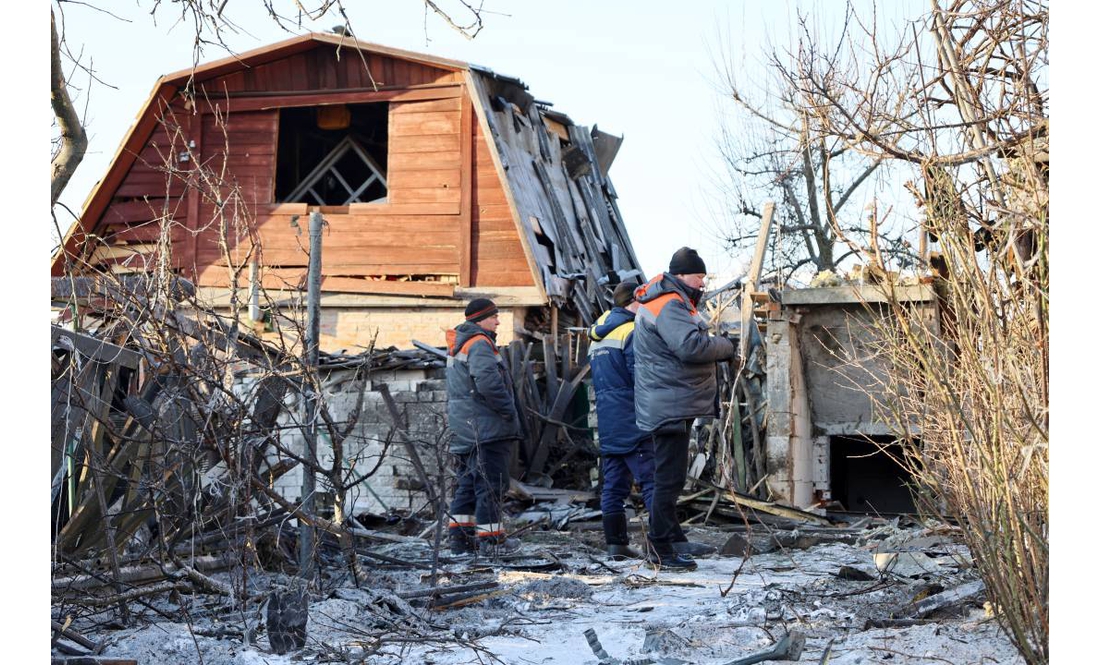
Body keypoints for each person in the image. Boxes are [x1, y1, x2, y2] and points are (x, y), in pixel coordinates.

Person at [633, 247, 736, 570]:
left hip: (670, 402)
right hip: (668, 406)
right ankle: (660, 549)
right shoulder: (669, 304)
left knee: (671, 477)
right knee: (669, 478)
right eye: (698, 276)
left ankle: (673, 539)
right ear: (680, 275)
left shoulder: (671, 302)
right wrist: (726, 347)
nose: (703, 283)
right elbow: (690, 347)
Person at [445, 298, 523, 558]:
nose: (498, 321)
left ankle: (460, 540)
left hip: (466, 427)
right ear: (480, 319)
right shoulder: (480, 343)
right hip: (486, 426)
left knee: (468, 483)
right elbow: (488, 383)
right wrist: (507, 410)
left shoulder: (461, 343)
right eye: (493, 316)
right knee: (491, 483)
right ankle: (492, 541)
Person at [588, 282, 654, 559]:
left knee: (614, 485)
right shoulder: (632, 331)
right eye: (643, 302)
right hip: (634, 417)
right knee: (652, 481)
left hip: (609, 419)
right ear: (632, 303)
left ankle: (616, 544)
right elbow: (642, 376)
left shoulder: (598, 333)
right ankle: (662, 546)